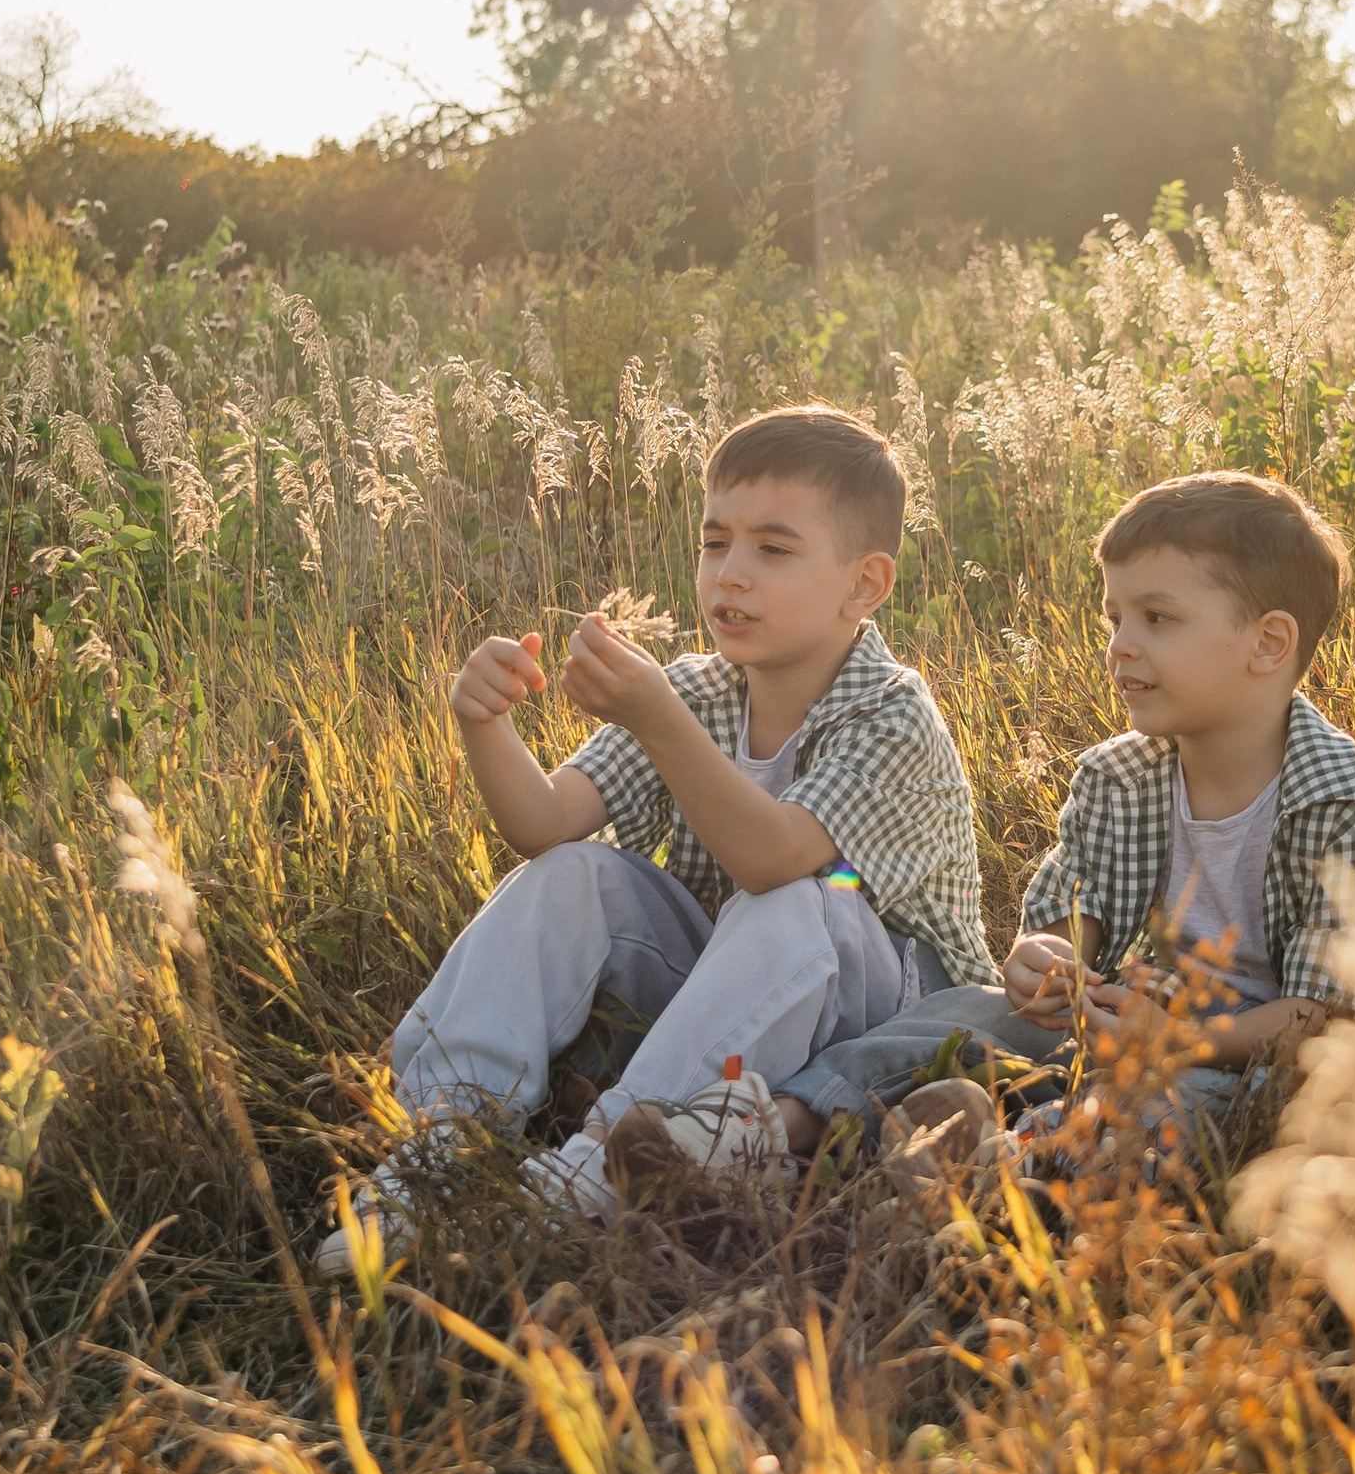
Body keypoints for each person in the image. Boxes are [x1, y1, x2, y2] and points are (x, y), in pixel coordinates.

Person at [319, 405, 993, 1256]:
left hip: (884, 1013)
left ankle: (598, 1167)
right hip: (733, 999)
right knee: (571, 873)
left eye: (772, 550)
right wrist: (483, 722)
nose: (730, 575)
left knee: (804, 900)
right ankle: (440, 1147)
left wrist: (655, 717)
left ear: (863, 584)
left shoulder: (893, 715)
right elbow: (545, 823)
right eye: (716, 543)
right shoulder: (699, 691)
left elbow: (771, 859)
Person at [784, 467, 1355, 1148]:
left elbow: (1325, 1021)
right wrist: (1047, 962)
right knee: (958, 1013)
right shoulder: (1118, 777)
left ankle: (1002, 1164)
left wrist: (1181, 1040)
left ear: (1268, 643)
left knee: (1165, 1111)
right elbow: (1072, 917)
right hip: (1126, 1018)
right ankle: (768, 1130)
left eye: (1158, 618)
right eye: (1115, 617)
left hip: (1243, 1057)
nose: (1120, 644)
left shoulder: (1349, 809)